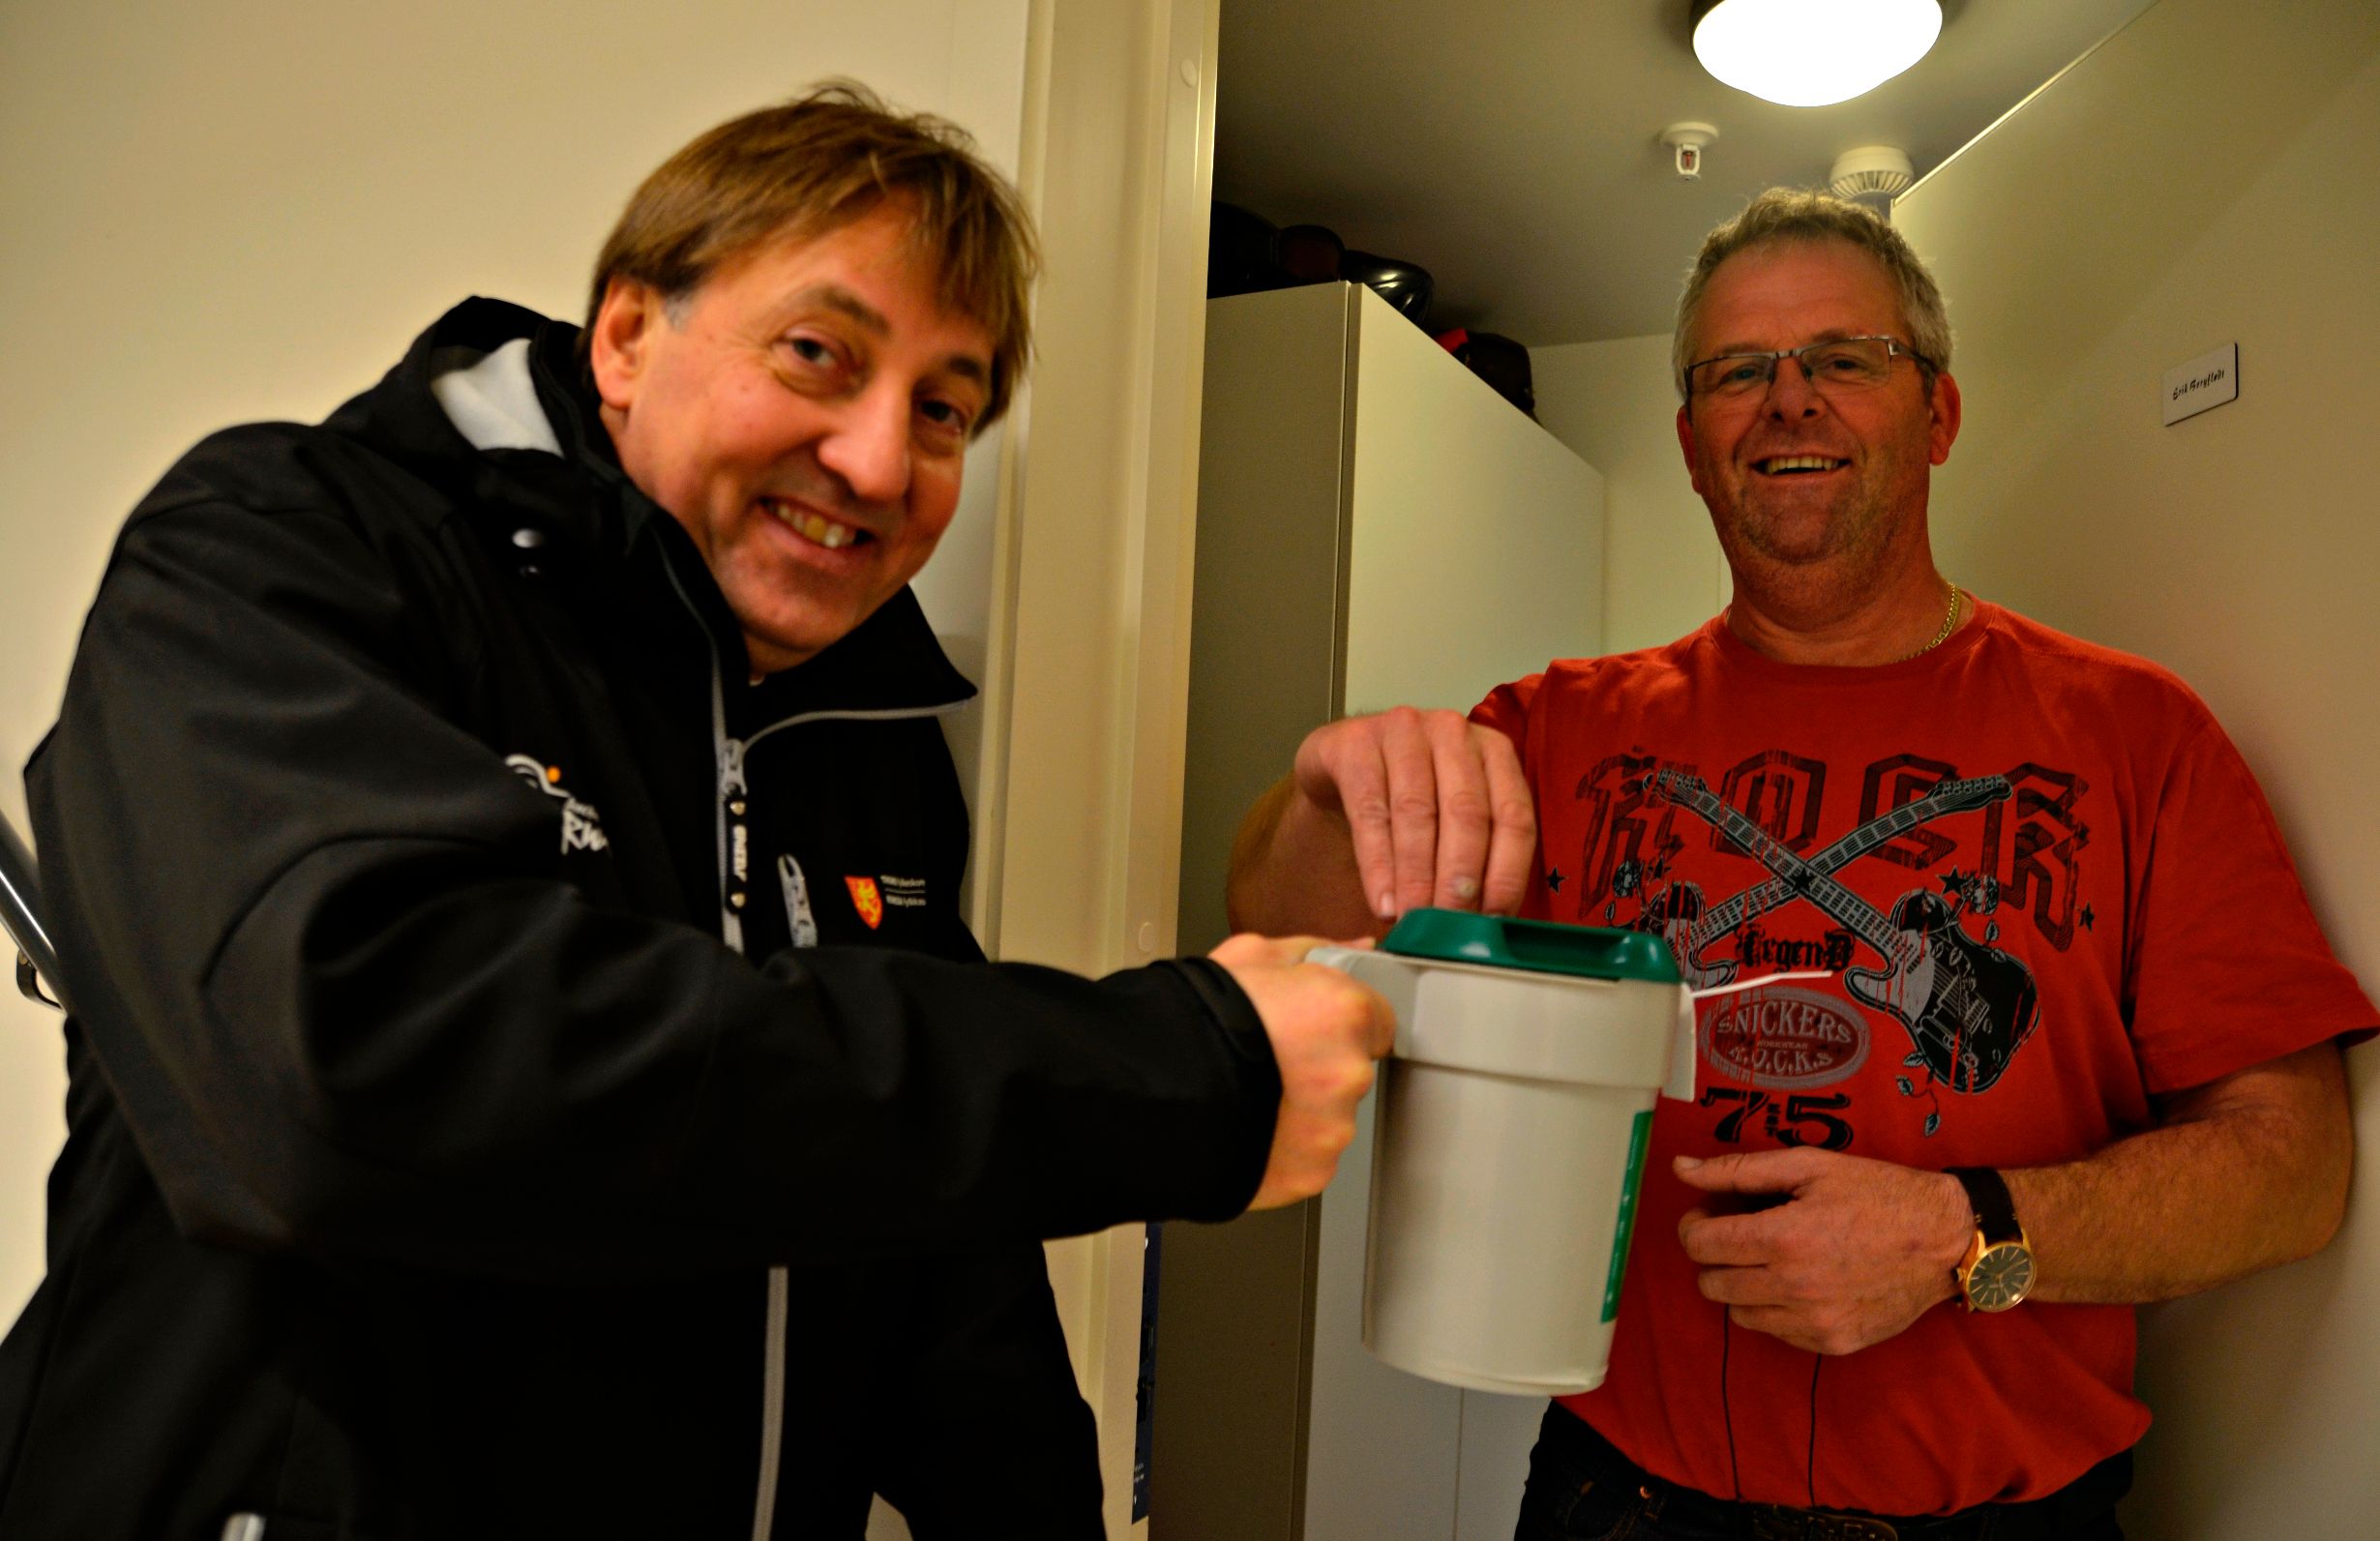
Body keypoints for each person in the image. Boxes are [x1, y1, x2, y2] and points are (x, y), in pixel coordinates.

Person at [0, 84, 1391, 1539]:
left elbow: (937, 1263)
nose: (877, 461)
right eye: (818, 354)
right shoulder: (281, 548)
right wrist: (1174, 1074)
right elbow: (358, 1075)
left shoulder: (865, 735)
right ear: (624, 336)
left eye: (942, 410)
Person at [1230, 190, 2369, 1540]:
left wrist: (1964, 1235)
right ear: (1691, 447)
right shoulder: (1555, 732)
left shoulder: (2136, 735)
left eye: (1844, 357)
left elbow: (2294, 1167)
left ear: (1938, 414)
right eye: (1736, 372)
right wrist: (1327, 792)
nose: (1787, 400)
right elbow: (1279, 933)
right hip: (1620, 1507)